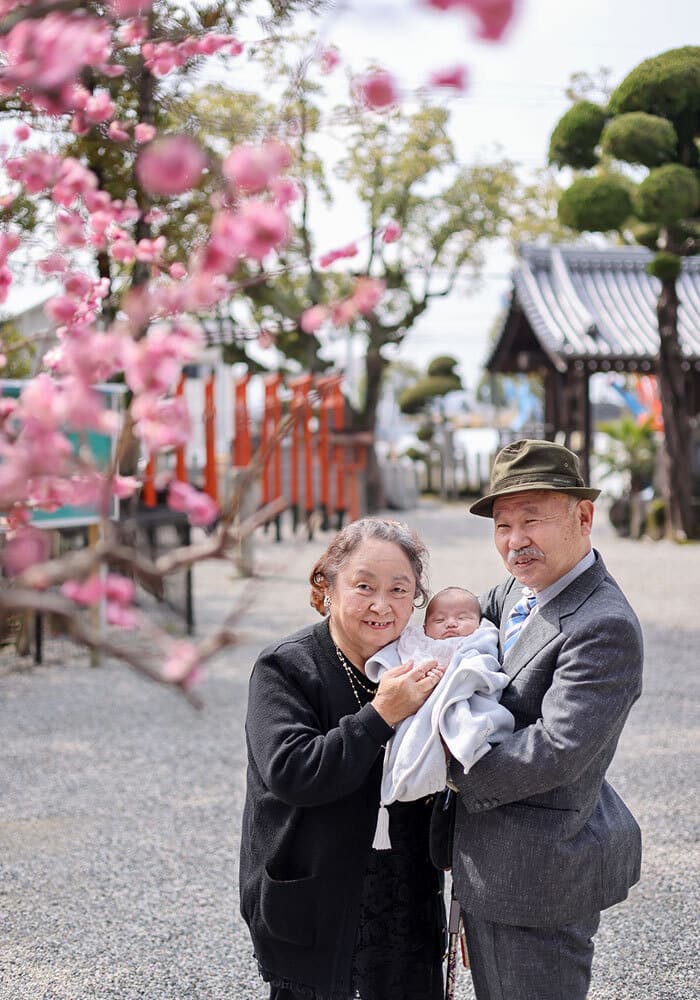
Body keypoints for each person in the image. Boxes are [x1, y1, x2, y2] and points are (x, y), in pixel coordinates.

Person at [447, 438, 643, 1000]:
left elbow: (556, 747)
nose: (514, 542)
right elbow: (457, 630)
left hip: (539, 869)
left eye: (530, 520)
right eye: (502, 526)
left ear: (584, 517)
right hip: (489, 856)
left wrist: (445, 768)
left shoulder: (603, 625)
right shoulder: (516, 590)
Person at [239, 518, 448, 1000]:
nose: (382, 605)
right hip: (316, 904)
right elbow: (293, 772)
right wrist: (380, 715)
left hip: (405, 902)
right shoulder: (287, 666)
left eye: (400, 589)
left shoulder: (417, 662)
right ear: (326, 586)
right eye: (363, 586)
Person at [364, 588, 514, 848]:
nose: (451, 624)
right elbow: (399, 660)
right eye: (439, 619)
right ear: (424, 627)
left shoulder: (478, 639)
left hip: (456, 700)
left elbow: (482, 665)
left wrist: (457, 679)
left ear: (478, 623)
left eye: (463, 617)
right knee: (408, 739)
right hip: (418, 703)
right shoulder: (417, 641)